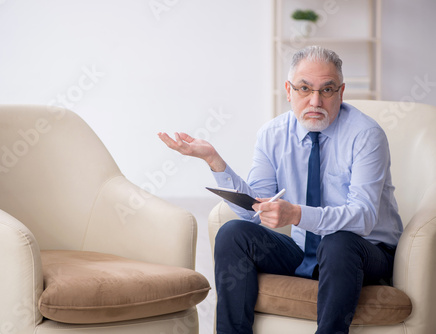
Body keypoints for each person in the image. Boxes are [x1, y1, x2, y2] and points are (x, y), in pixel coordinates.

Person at [158, 45, 403, 334]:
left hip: (366, 252)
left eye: (327, 90)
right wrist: (215, 161)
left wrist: (297, 214)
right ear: (288, 90)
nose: (315, 101)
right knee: (233, 233)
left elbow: (363, 218)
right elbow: (255, 209)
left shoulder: (366, 135)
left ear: (341, 92)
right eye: (304, 88)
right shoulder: (272, 134)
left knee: (338, 243)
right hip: (304, 249)